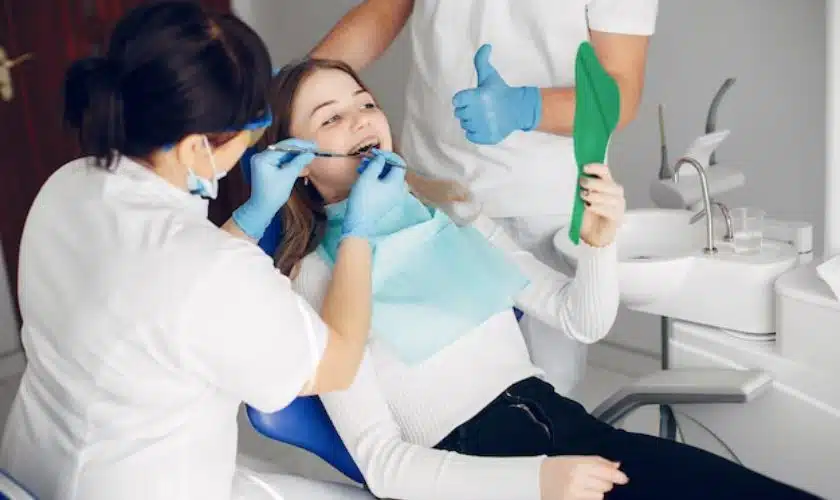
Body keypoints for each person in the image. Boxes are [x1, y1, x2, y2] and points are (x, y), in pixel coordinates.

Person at [253, 57, 822, 500]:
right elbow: (383, 464)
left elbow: (581, 320)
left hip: (576, 439)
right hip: (484, 479)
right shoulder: (317, 278)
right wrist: (537, 482)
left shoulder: (453, 214)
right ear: (296, 162)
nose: (360, 119)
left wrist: (599, 244)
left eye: (366, 103)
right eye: (330, 118)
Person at [0, 3, 395, 499]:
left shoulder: (69, 184)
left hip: (33, 471)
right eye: (251, 128)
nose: (254, 140)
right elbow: (336, 365)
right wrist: (357, 228)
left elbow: (172, 290)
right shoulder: (207, 270)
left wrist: (251, 217)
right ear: (194, 148)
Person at [310, 0, 660, 395]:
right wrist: (295, 86)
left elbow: (621, 88)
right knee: (442, 383)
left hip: (539, 202)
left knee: (549, 385)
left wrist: (527, 108)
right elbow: (386, 8)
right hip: (433, 189)